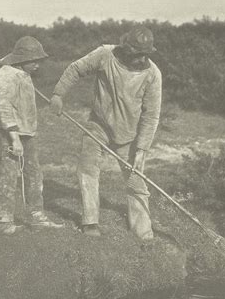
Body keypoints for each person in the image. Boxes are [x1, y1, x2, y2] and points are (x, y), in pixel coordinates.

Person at [50, 26, 162, 240]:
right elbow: (76, 69)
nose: (141, 59)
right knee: (87, 169)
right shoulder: (105, 55)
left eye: (145, 55)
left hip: (130, 134)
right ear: (126, 49)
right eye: (137, 54)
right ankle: (90, 222)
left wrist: (142, 149)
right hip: (98, 125)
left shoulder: (153, 75)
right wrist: (58, 94)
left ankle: (143, 232)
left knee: (136, 181)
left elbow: (152, 115)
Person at [0, 36, 64, 235]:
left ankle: (36, 216)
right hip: (9, 133)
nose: (38, 64)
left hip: (27, 133)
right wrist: (14, 139)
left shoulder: (23, 75)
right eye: (34, 60)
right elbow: (4, 108)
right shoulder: (5, 76)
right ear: (22, 59)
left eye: (39, 60)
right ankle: (3, 221)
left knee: (34, 173)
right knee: (9, 173)